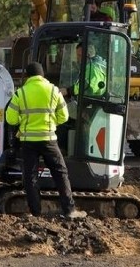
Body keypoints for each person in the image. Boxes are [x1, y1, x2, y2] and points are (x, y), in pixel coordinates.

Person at [5, 62, 85, 219]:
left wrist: (24, 120)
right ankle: (69, 210)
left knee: (30, 176)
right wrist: (50, 122)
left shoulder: (20, 93)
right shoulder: (54, 90)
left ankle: (35, 212)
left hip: (28, 142)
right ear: (42, 75)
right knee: (60, 173)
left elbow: (10, 119)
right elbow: (64, 117)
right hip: (49, 139)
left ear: (28, 76)